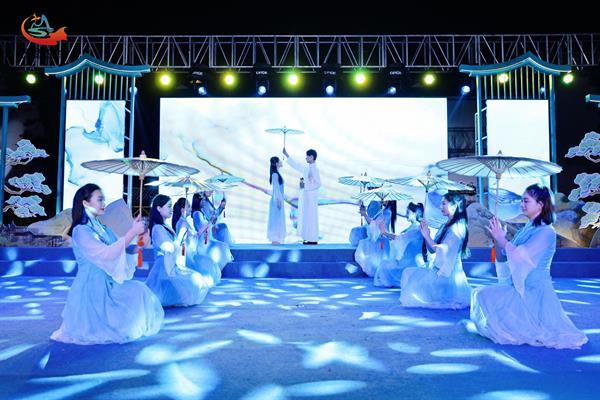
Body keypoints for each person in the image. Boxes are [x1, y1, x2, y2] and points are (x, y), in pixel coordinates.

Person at [470, 184, 588, 349]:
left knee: (485, 297)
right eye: (521, 201)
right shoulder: (528, 228)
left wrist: (502, 239)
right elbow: (506, 254)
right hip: (519, 286)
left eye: (526, 201)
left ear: (540, 205)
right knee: (480, 295)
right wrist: (497, 237)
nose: (522, 204)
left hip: (535, 291)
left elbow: (519, 255)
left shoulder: (546, 231)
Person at [51, 183, 163, 344]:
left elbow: (121, 249)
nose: (104, 203)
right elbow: (107, 253)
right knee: (96, 329)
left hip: (109, 282)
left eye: (103, 199)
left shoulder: (103, 228)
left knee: (139, 290)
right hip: (91, 286)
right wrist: (132, 232)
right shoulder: (80, 230)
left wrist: (138, 242)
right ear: (85, 203)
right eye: (99, 199)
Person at [400, 192, 472, 309]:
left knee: (411, 288)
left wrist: (427, 236)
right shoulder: (445, 225)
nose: (440, 206)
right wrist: (426, 235)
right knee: (407, 273)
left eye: (444, 204)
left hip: (447, 275)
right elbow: (432, 250)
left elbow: (442, 250)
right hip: (437, 269)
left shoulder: (457, 228)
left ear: (454, 206)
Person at [145, 194, 210, 306]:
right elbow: (169, 248)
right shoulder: (158, 228)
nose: (171, 209)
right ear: (159, 208)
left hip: (171, 264)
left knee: (197, 282)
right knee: (195, 283)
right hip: (165, 267)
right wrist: (181, 234)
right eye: (169, 206)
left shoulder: (164, 226)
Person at [173, 197, 221, 287]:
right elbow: (185, 238)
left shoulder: (184, 222)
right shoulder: (182, 223)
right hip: (187, 254)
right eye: (188, 206)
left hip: (190, 252)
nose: (190, 208)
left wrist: (208, 224)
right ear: (182, 209)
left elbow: (195, 235)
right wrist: (207, 224)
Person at [374, 202, 425, 287]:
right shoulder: (413, 226)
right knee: (384, 264)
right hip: (407, 257)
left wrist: (385, 232)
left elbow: (401, 238)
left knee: (384, 265)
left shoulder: (417, 228)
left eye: (408, 212)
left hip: (411, 260)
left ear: (415, 214)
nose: (406, 215)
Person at [282, 147, 320, 244]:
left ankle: (313, 239)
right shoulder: (307, 168)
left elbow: (318, 184)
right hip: (306, 196)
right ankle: (309, 238)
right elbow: (296, 166)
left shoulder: (315, 169)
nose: (306, 158)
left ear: (312, 157)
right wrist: (287, 155)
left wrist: (305, 186)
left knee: (311, 217)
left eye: (307, 156)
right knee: (306, 217)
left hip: (311, 197)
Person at [192, 193, 233, 271]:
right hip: (204, 241)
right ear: (199, 201)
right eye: (202, 200)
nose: (204, 202)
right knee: (223, 246)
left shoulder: (202, 212)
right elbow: (201, 229)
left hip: (208, 237)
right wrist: (211, 221)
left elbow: (211, 220)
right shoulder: (197, 214)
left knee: (223, 245)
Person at [354, 200, 392, 276]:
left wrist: (365, 215)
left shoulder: (385, 214)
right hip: (377, 240)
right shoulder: (377, 215)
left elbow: (376, 229)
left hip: (381, 241)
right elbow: (372, 226)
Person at [267, 156, 286, 244]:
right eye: (279, 161)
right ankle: (275, 238)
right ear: (276, 163)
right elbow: (276, 189)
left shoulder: (277, 173)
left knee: (278, 219)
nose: (281, 162)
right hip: (277, 199)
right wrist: (278, 200)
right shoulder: (275, 174)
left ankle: (277, 238)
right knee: (276, 220)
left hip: (278, 199)